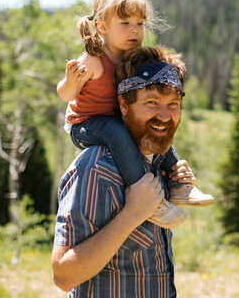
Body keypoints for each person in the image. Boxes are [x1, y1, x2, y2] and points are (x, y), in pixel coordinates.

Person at [56, 0, 213, 228]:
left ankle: (178, 185)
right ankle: (150, 202)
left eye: (140, 23)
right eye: (125, 22)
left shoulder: (133, 58)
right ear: (102, 27)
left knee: (155, 127)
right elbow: (65, 95)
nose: (135, 29)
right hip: (85, 125)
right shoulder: (94, 59)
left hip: (116, 118)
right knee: (116, 132)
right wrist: (71, 81)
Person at [52, 46, 199, 297]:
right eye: (152, 102)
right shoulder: (96, 167)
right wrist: (132, 214)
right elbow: (64, 276)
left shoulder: (155, 163)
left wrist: (176, 182)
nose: (165, 115)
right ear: (123, 105)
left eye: (173, 104)